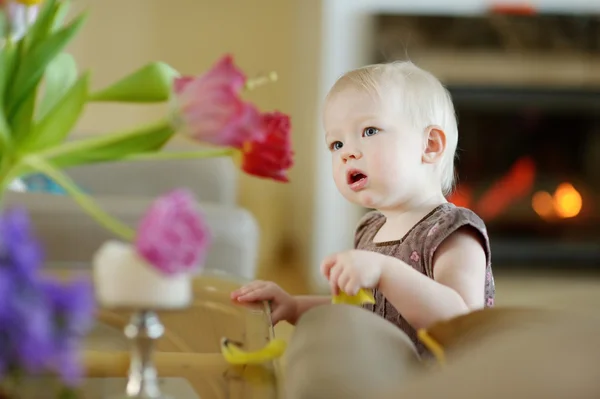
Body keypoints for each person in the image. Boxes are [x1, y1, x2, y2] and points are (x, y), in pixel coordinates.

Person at [231, 61, 495, 354]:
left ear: (429, 145)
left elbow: (462, 324)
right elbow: (365, 310)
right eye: (336, 144)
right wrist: (294, 306)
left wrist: (385, 272)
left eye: (369, 131)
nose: (347, 153)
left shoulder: (452, 231)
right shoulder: (369, 230)